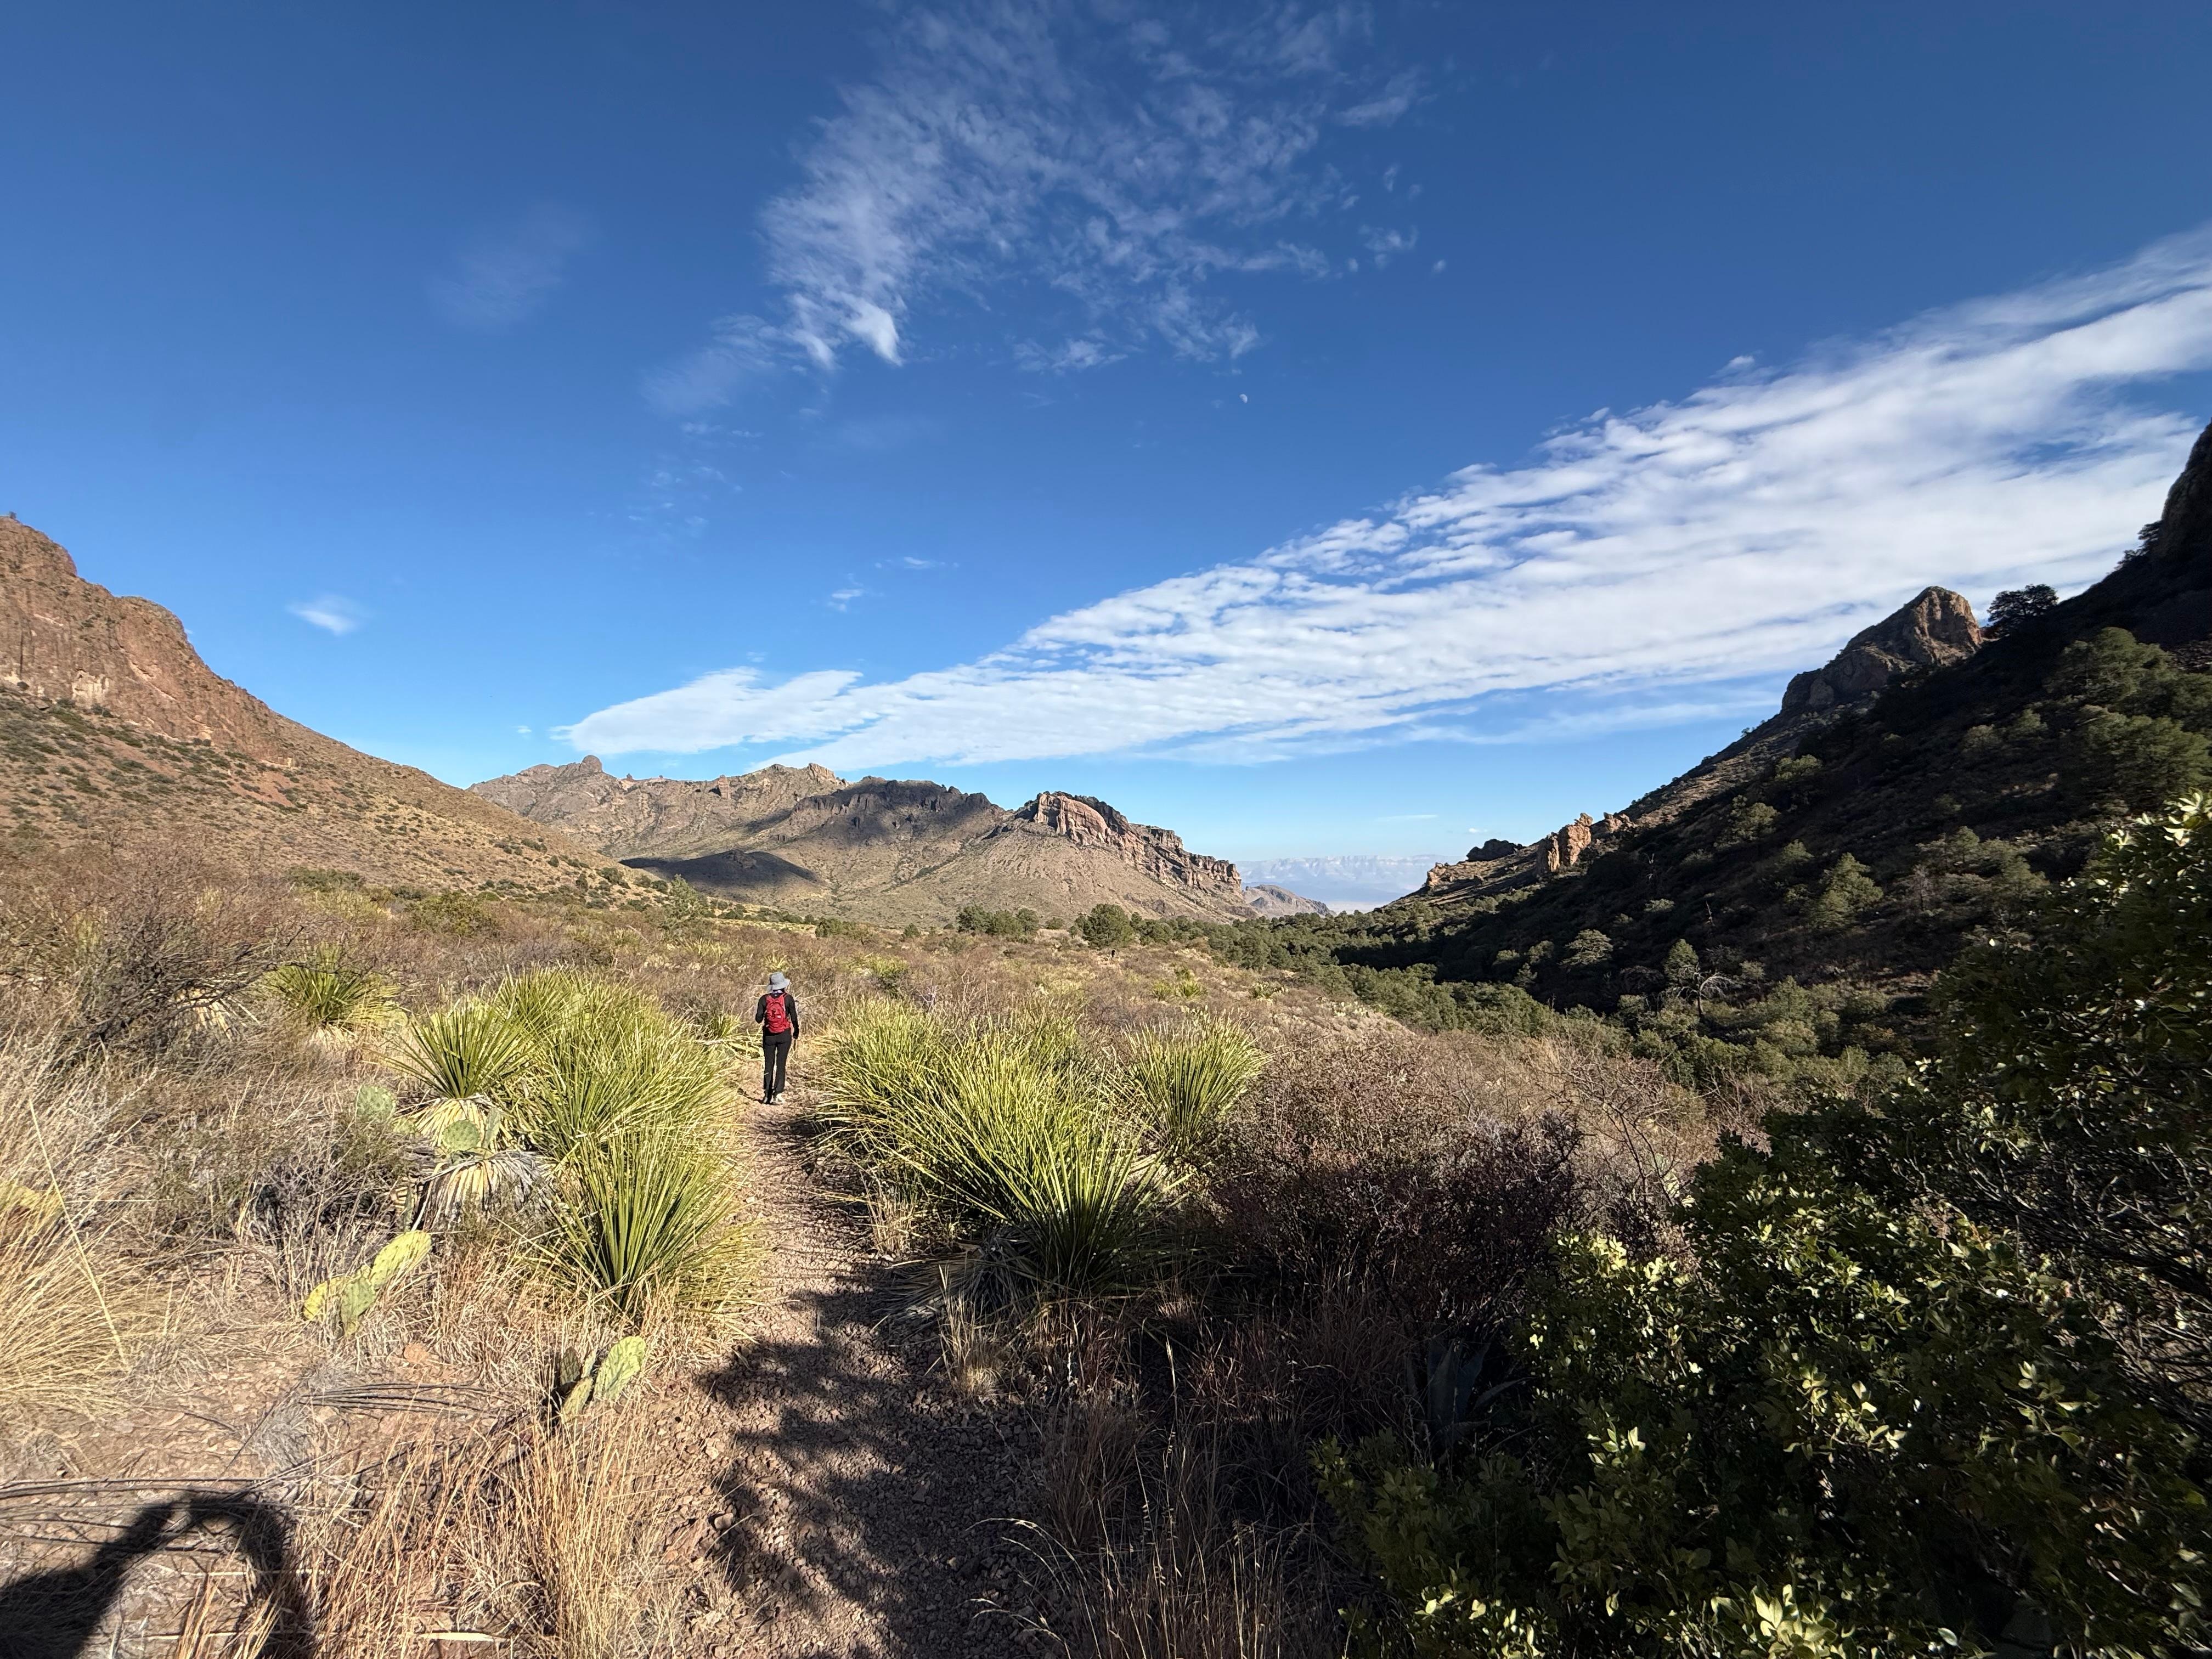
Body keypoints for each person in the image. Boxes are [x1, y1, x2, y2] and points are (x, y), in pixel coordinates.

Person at [754, 971, 800, 1103]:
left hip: (768, 1036)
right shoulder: (788, 998)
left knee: (769, 1064)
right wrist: (796, 1031)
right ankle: (778, 1095)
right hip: (784, 1035)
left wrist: (765, 1014)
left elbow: (758, 1019)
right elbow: (794, 1018)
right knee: (781, 1064)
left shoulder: (764, 999)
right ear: (783, 985)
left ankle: (767, 1094)